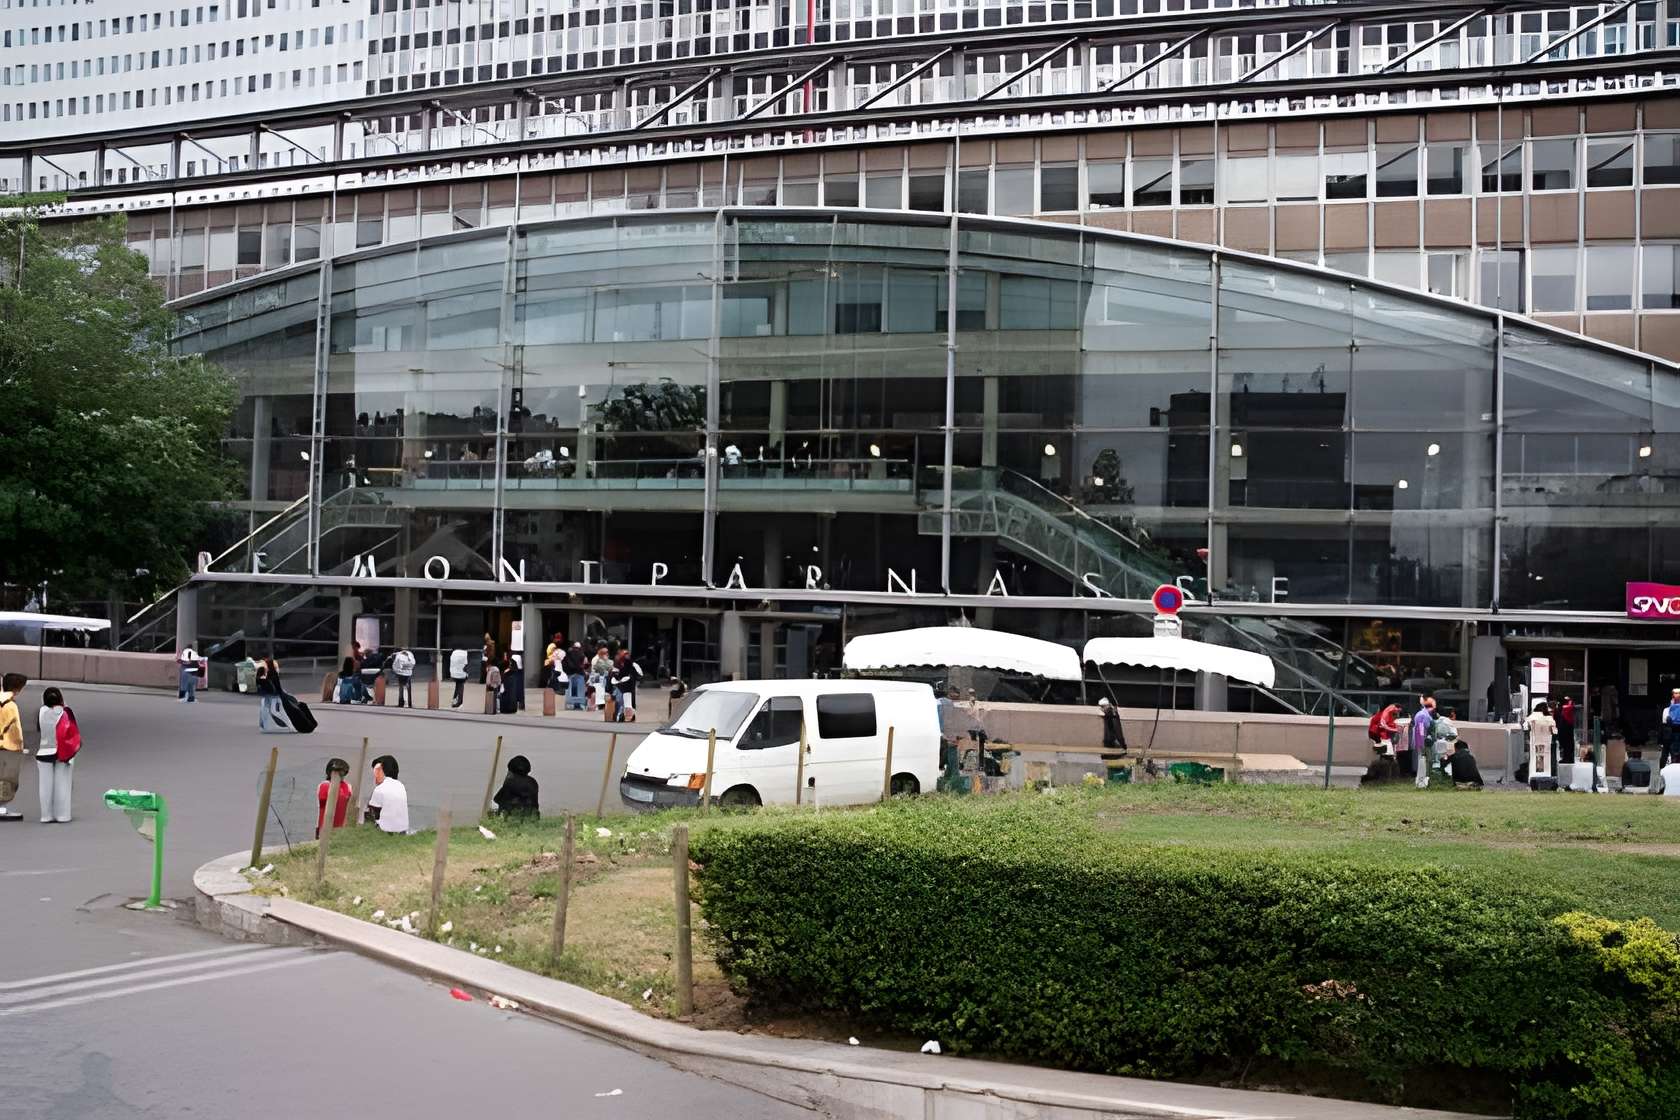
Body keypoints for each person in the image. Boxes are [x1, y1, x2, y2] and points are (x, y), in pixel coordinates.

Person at [35, 686, 75, 823]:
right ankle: (62, 815)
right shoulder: (65, 712)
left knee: (45, 786)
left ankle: (46, 815)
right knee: (62, 783)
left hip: (44, 751)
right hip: (62, 753)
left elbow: (39, 728)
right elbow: (72, 732)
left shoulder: (41, 711)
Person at [0, 673, 26, 821]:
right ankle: (2, 807)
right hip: (9, 746)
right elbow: (13, 728)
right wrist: (20, 745)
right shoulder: (10, 705)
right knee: (8, 779)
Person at [364, 755, 409, 834]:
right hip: (402, 833)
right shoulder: (401, 786)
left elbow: (371, 816)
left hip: (384, 834)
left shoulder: (380, 789)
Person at [315, 758, 353, 839]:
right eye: (337, 772)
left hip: (341, 828)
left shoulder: (348, 787)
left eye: (342, 773)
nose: (340, 775)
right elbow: (322, 802)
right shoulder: (325, 785)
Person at [492, 755, 539, 819]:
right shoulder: (533, 782)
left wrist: (506, 780)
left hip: (513, 818)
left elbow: (497, 799)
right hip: (531, 817)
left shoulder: (510, 783)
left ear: (511, 771)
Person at [1526, 701, 1558, 782]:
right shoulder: (1549, 718)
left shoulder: (1532, 717)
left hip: (1535, 741)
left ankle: (1534, 777)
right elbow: (1554, 731)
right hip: (1546, 742)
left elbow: (1526, 727)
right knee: (1545, 760)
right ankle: (1545, 776)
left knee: (1535, 759)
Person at [1402, 693, 1432, 780]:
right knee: (1420, 756)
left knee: (1420, 756)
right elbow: (1423, 727)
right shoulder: (1423, 714)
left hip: (1421, 737)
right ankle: (1419, 773)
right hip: (1421, 737)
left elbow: (1423, 727)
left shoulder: (1423, 713)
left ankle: (1420, 773)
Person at [611, 652, 641, 723]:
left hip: (624, 686)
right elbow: (638, 675)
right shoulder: (630, 665)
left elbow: (617, 675)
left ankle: (625, 716)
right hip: (627, 686)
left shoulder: (625, 665)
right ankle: (628, 716)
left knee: (624, 702)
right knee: (626, 702)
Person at [563, 642, 587, 711]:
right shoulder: (582, 655)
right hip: (579, 673)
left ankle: (570, 705)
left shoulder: (568, 654)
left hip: (570, 674)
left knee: (570, 690)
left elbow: (565, 664)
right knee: (579, 690)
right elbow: (584, 664)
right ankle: (579, 704)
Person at [589, 645, 612, 710]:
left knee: (600, 691)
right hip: (597, 677)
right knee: (598, 691)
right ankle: (595, 705)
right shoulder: (597, 659)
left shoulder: (601, 658)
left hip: (600, 677)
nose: (607, 654)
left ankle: (598, 705)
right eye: (606, 653)